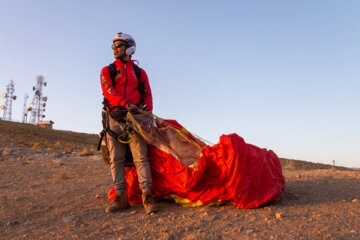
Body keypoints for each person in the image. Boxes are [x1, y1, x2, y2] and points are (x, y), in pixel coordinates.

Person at [100, 32, 157, 214]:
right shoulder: (106, 71)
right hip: (114, 118)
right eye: (114, 46)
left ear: (129, 48)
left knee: (141, 157)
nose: (114, 49)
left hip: (135, 120)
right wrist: (126, 104)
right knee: (116, 159)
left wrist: (146, 108)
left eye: (119, 45)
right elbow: (109, 92)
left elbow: (147, 94)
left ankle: (147, 197)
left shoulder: (140, 73)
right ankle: (120, 198)